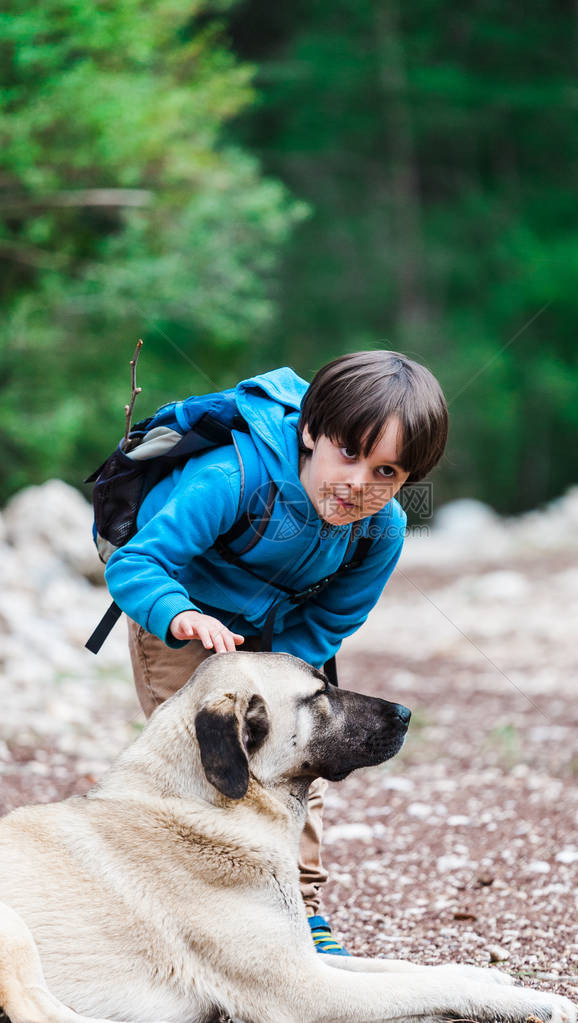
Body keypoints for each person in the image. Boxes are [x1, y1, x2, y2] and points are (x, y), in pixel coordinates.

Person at [104, 349, 448, 954]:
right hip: (177, 616)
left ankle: (300, 913)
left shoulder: (383, 530)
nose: (359, 484)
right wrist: (179, 614)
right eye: (350, 453)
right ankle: (188, 906)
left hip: (274, 634)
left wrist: (278, 681)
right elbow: (139, 561)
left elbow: (334, 616)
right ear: (313, 432)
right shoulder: (233, 477)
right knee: (204, 756)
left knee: (298, 756)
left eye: (387, 474)